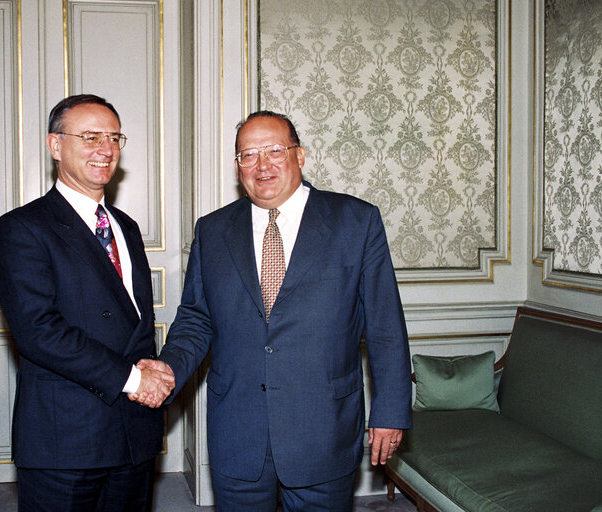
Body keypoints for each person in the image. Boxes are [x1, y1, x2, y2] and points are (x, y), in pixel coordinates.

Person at [135, 111, 412, 511]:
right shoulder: (212, 230)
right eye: (248, 155)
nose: (262, 165)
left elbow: (385, 325)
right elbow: (196, 319)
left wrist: (390, 410)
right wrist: (168, 371)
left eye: (274, 151)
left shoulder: (356, 221)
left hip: (323, 428)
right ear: (237, 167)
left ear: (299, 155)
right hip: (237, 429)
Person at [0, 94, 173, 512]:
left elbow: (135, 327)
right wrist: (134, 380)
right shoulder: (22, 228)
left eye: (113, 137)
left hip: (134, 433)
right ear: (55, 145)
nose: (105, 149)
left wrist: (154, 374)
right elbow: (39, 332)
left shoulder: (125, 227)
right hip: (66, 439)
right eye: (90, 137)